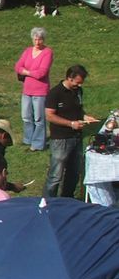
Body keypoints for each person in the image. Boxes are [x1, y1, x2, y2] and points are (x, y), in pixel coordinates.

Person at [44, 65, 98, 198]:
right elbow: (49, 116)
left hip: (76, 137)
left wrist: (85, 117)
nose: (79, 85)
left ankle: (67, 199)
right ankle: (48, 201)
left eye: (81, 83)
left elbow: (79, 110)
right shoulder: (55, 93)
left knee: (74, 173)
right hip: (61, 139)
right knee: (56, 175)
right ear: (69, 78)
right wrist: (70, 124)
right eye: (77, 82)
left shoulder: (78, 91)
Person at [14, 27, 53, 153]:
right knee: (26, 116)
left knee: (39, 118)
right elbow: (18, 66)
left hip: (40, 91)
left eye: (40, 39)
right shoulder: (28, 51)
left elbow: (41, 73)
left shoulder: (47, 52)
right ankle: (28, 139)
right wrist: (30, 72)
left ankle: (37, 144)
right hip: (27, 89)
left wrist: (26, 72)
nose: (37, 42)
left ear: (43, 39)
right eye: (35, 39)